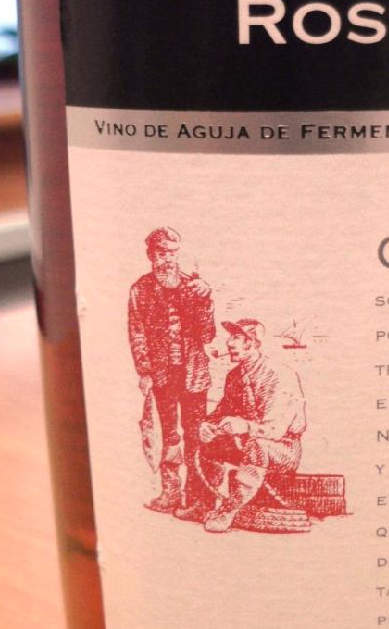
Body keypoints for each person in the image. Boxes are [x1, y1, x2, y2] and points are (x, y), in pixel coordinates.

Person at [128, 227, 215, 516]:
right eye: (161, 253)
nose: (168, 259)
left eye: (172, 253)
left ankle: (196, 497)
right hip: (162, 376)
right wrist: (144, 371)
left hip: (194, 376)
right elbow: (137, 333)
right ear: (150, 255)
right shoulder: (140, 290)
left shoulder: (194, 287)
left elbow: (207, 335)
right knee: (169, 435)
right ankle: (171, 493)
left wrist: (206, 302)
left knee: (195, 435)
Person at [196, 318, 307, 533]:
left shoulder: (279, 375)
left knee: (258, 445)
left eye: (236, 337)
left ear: (253, 343)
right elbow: (221, 412)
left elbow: (275, 430)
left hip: (282, 448)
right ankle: (205, 505)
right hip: (246, 443)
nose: (229, 343)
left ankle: (228, 510)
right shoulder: (234, 376)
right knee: (208, 445)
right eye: (230, 337)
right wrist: (208, 426)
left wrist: (245, 426)